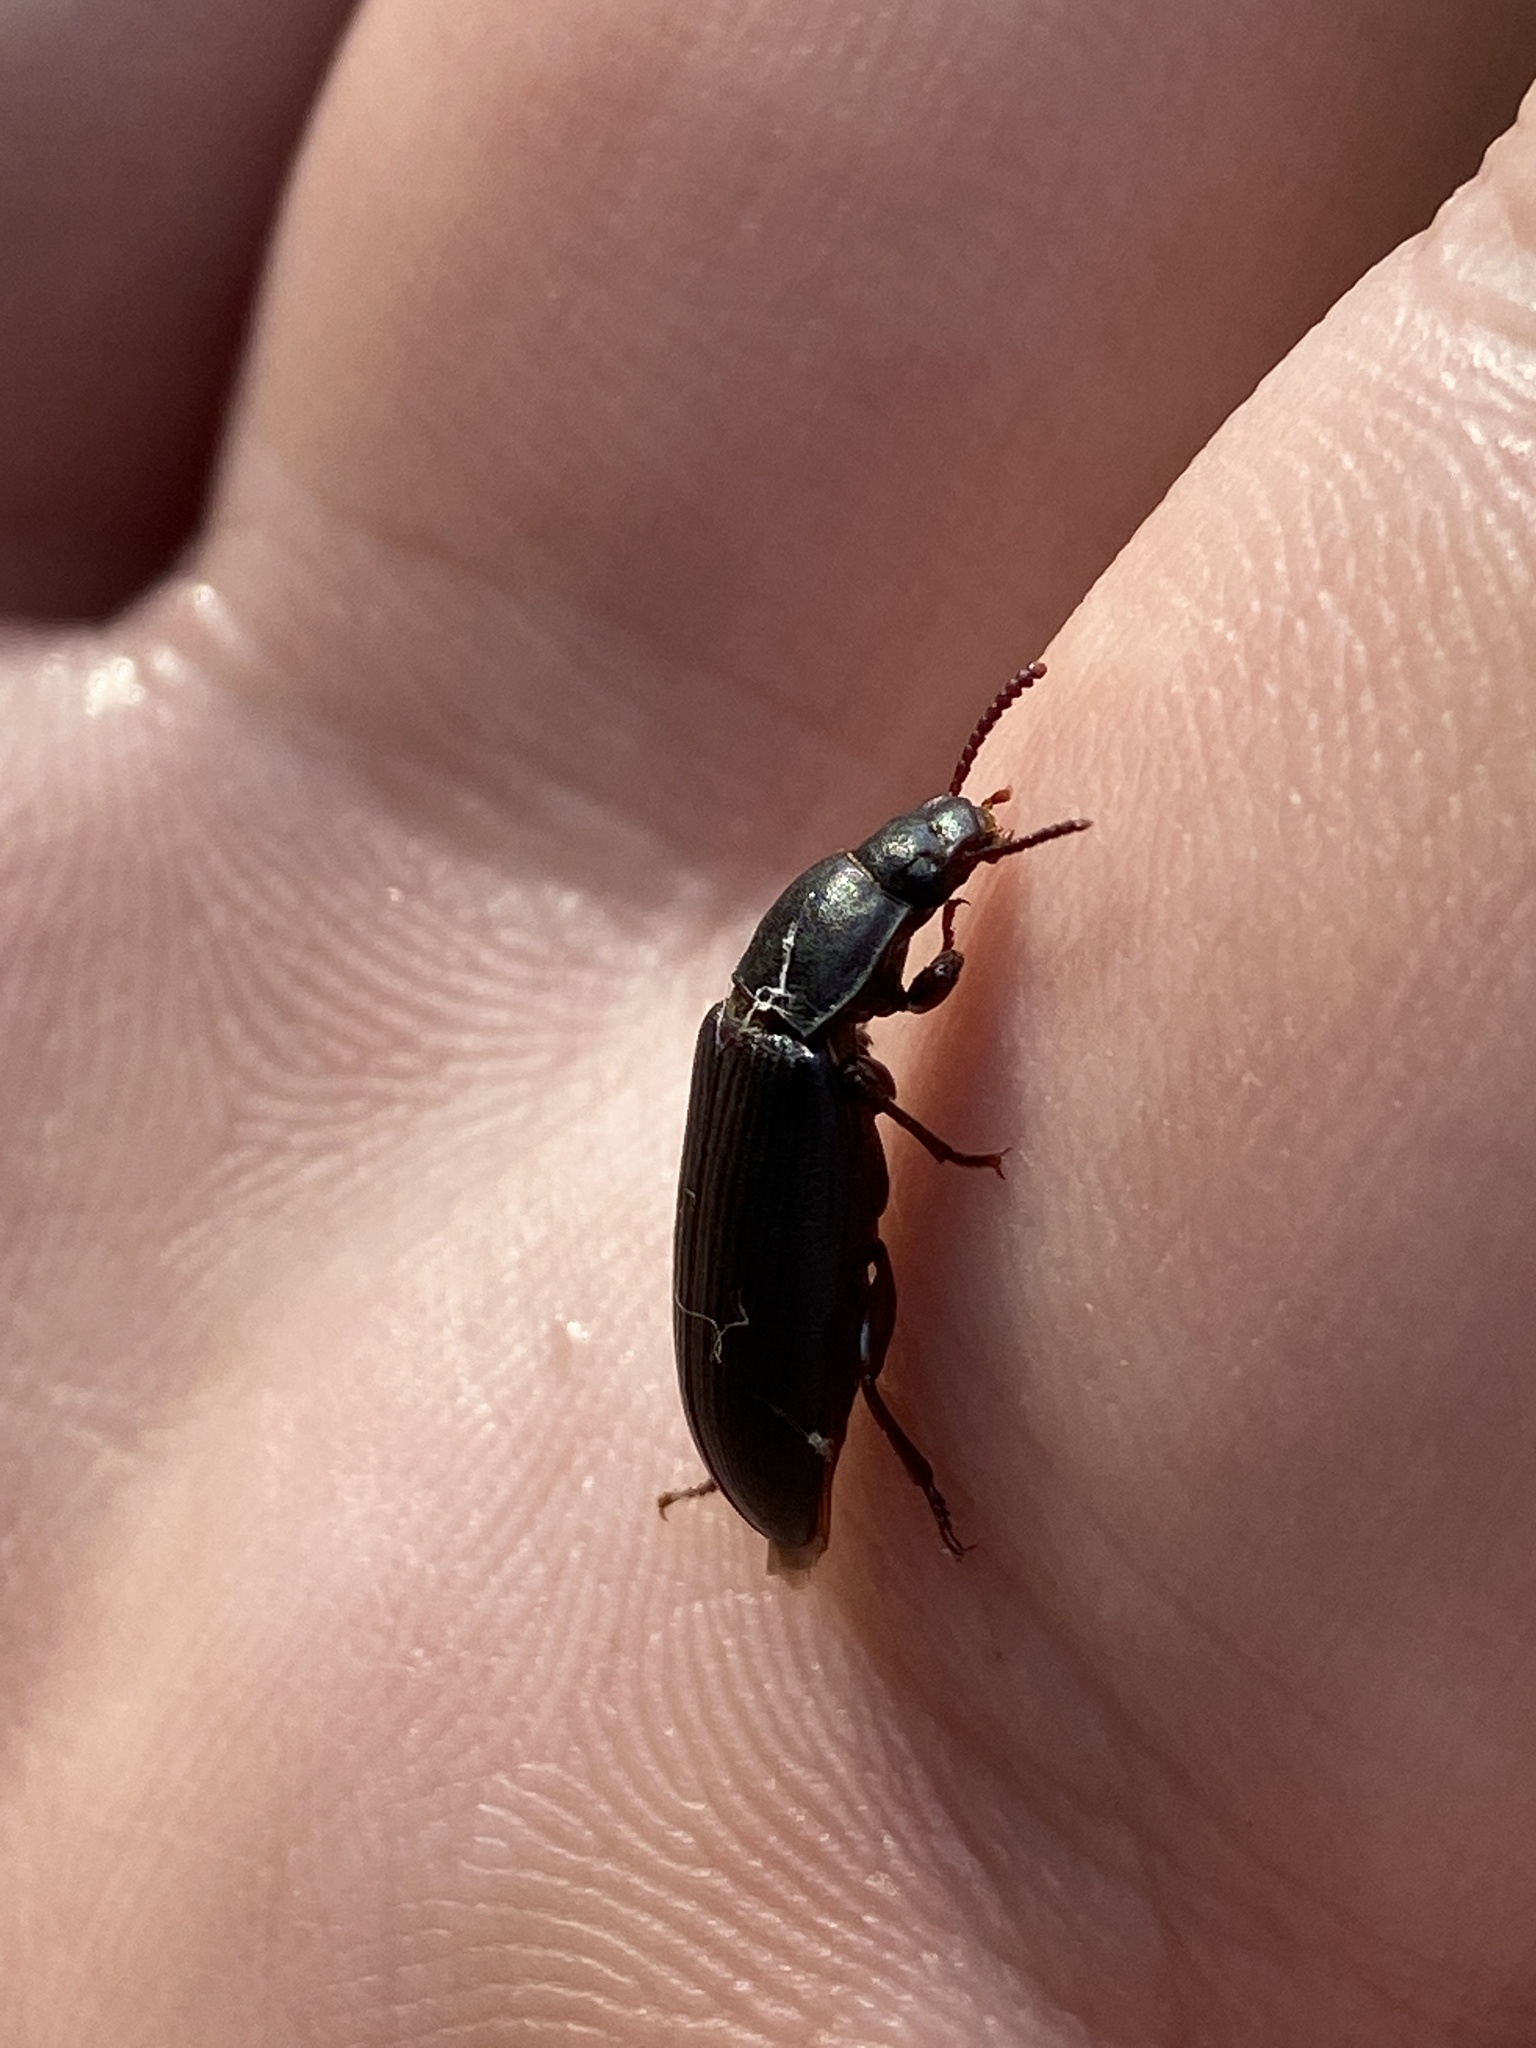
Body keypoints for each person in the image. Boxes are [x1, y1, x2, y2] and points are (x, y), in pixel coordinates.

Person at [5, 4, 1535, 2040]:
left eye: (924, 879)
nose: (932, 890)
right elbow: (879, 1122)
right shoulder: (808, 1051)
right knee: (871, 1308)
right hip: (787, 1416)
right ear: (858, 931)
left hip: (762, 1356)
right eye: (919, 883)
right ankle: (865, 1458)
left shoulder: (782, 1024)